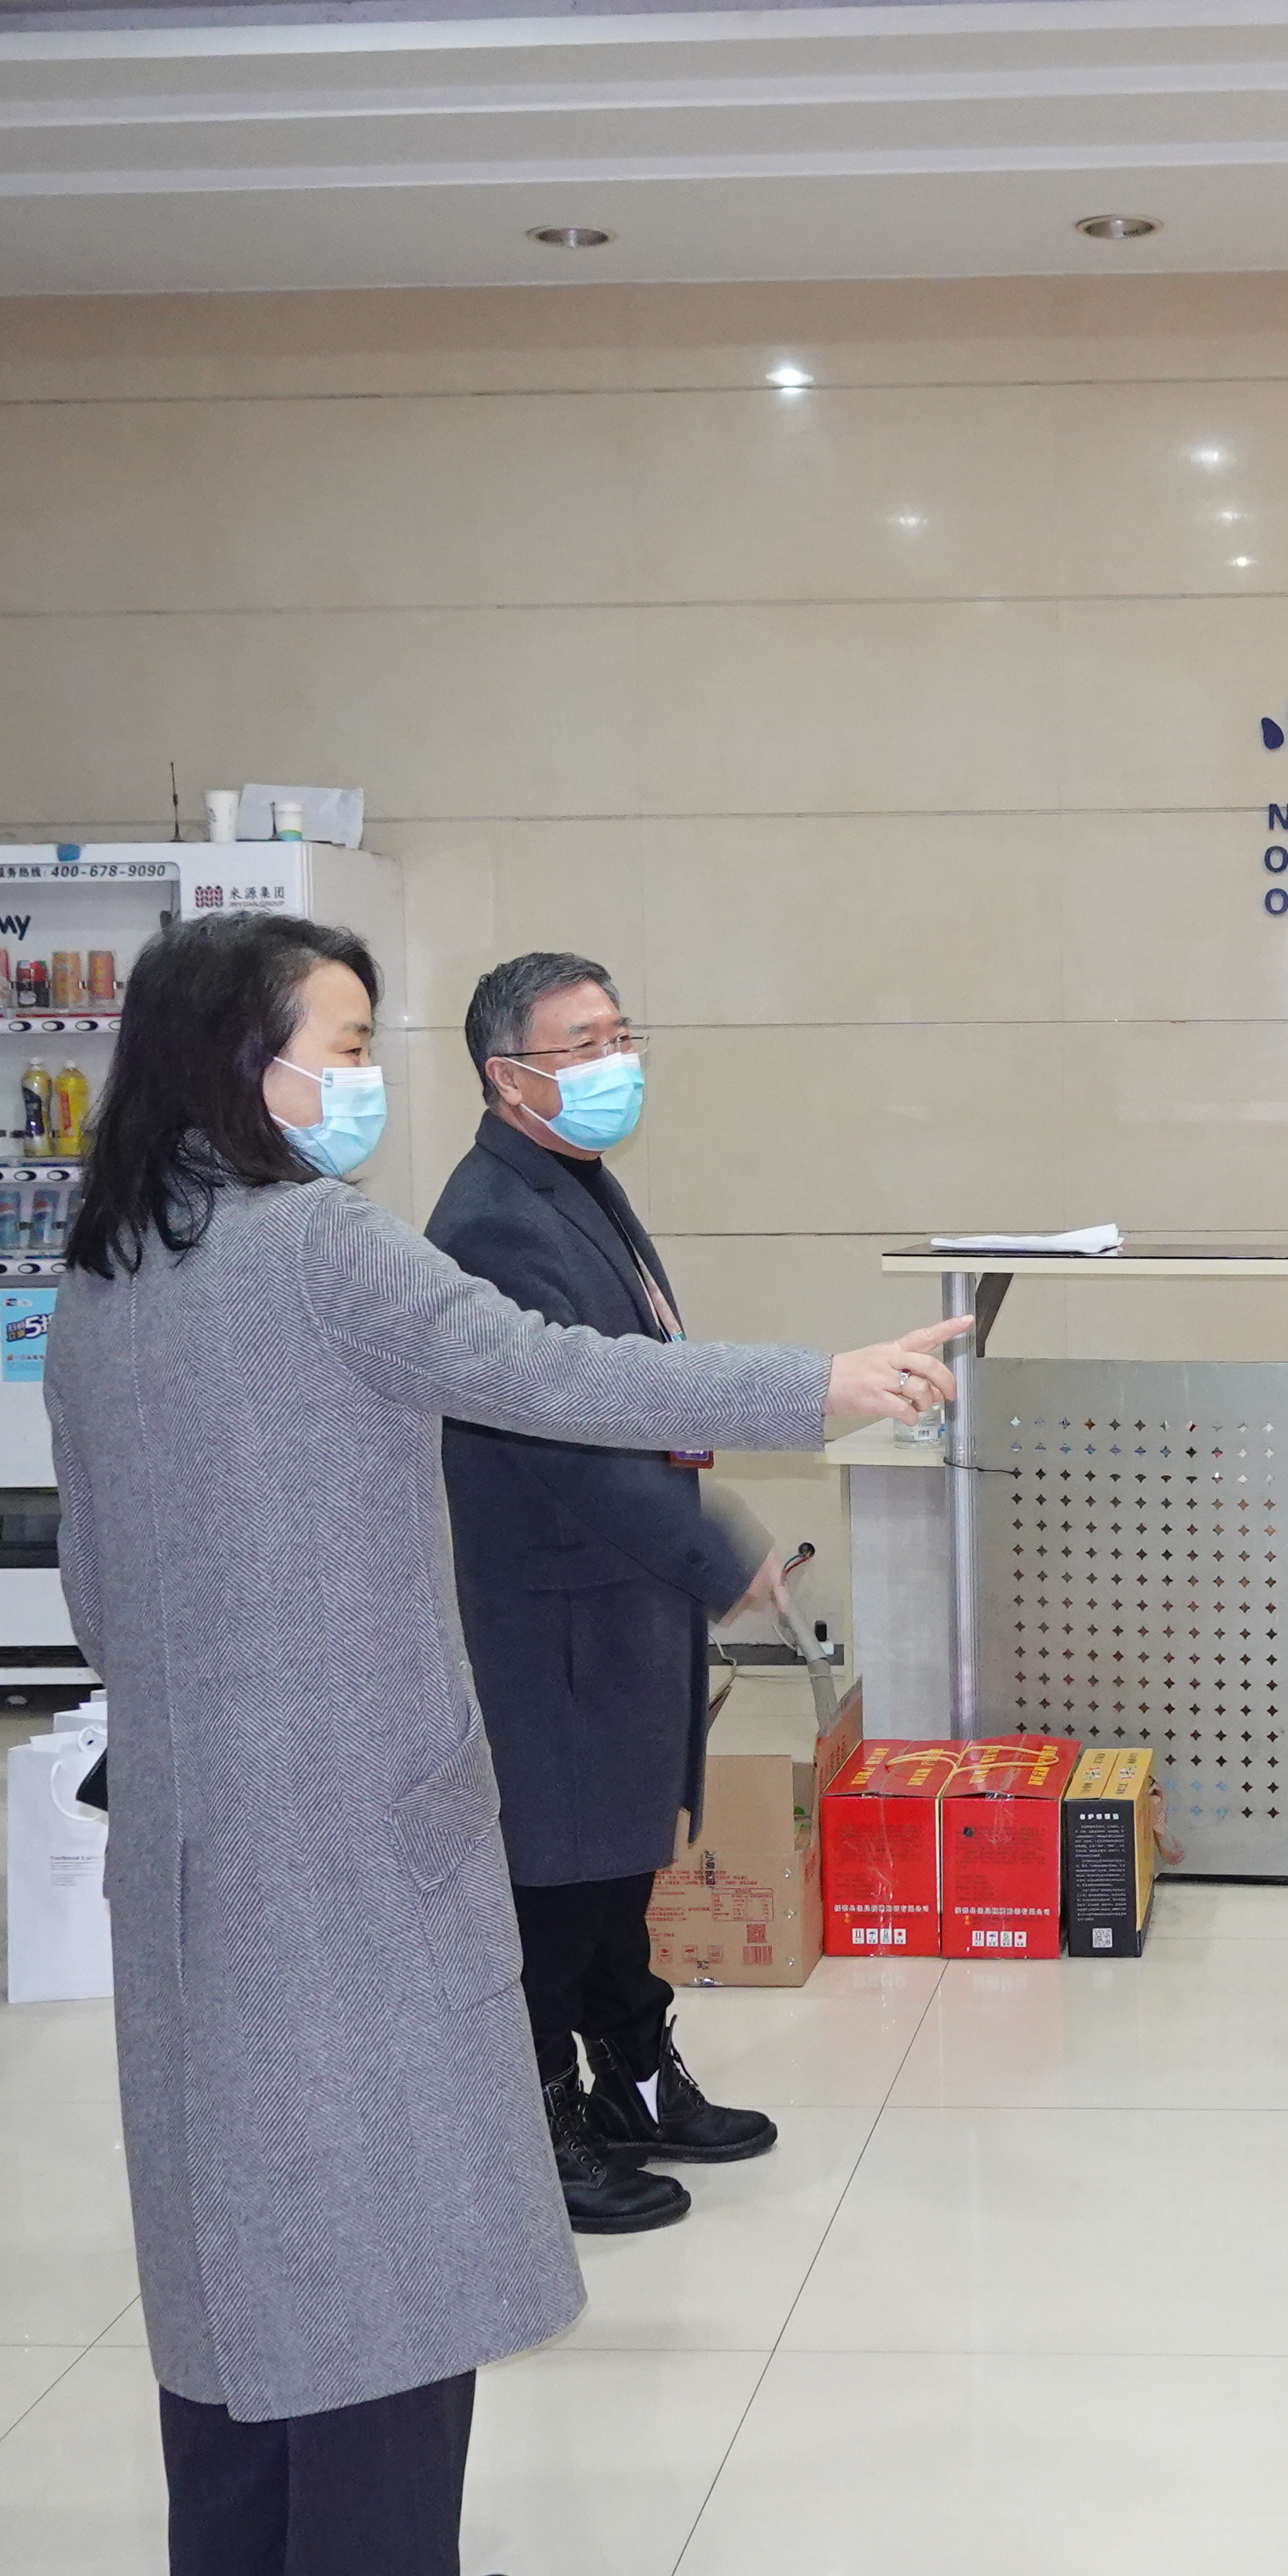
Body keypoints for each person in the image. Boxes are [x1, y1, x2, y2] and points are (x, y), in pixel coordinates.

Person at [46, 911, 965, 2576]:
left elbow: (90, 1573)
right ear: (245, 1060)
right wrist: (821, 1385)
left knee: (224, 2186)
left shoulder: (106, 1271)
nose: (363, 1079)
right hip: (353, 1805)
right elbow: (555, 1374)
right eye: (345, 1043)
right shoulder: (318, 1244)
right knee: (383, 2193)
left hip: (186, 1813)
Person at [426, 949, 785, 2239]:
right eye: (580, 1046)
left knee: (616, 1859)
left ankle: (634, 2075)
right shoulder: (490, 1221)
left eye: (620, 1036)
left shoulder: (570, 1179)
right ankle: (538, 2124)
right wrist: (716, 1557)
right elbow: (563, 1435)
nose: (613, 1065)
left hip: (619, 1587)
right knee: (552, 1873)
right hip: (557, 1601)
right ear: (506, 1076)